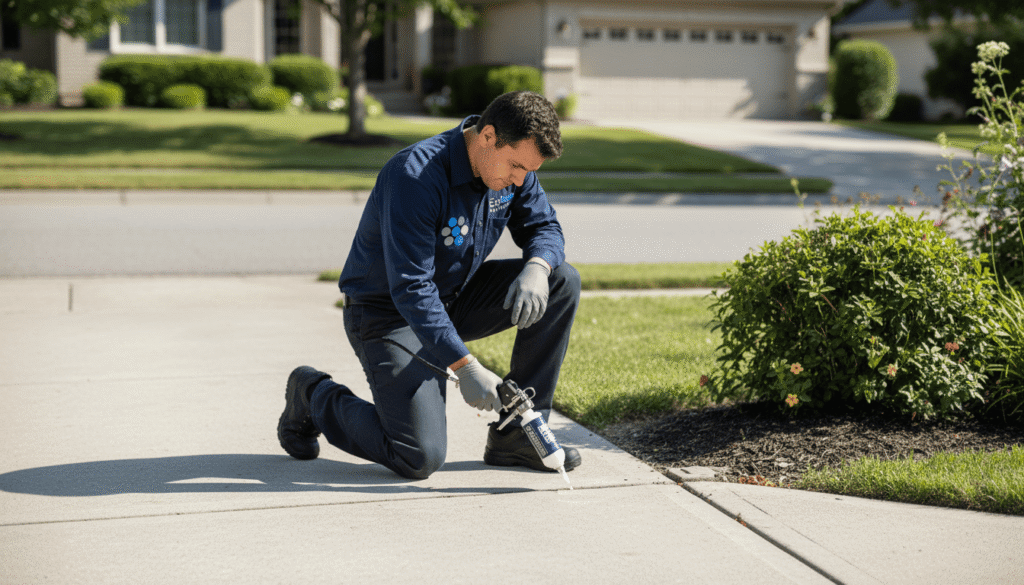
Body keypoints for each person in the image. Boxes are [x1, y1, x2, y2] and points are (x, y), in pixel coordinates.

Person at [277, 90, 582, 479]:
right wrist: (465, 365)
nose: (521, 180)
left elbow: (544, 227)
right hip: (388, 314)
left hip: (455, 297)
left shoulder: (512, 171)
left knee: (560, 280)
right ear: (488, 136)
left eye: (529, 171)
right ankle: (311, 394)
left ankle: (518, 435)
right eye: (517, 166)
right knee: (419, 455)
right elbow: (412, 288)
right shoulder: (415, 176)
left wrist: (538, 266)